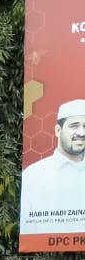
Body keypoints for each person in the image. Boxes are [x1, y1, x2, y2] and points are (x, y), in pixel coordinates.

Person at [19, 99, 85, 243]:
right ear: (58, 130)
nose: (81, 132)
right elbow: (30, 231)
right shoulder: (34, 174)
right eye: (74, 126)